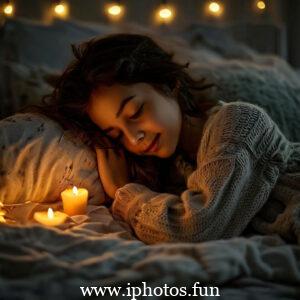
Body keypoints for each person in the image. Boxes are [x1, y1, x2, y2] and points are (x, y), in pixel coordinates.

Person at [28, 33, 300, 245]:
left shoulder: (240, 122)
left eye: (135, 112)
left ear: (170, 84)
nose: (134, 138)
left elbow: (198, 227)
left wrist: (124, 191)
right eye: (117, 134)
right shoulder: (174, 166)